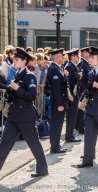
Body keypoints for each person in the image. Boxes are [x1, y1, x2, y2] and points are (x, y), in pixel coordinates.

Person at [0, 48, 48, 177]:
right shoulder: (17, 74)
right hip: (14, 115)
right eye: (14, 59)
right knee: (5, 142)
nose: (14, 61)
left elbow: (31, 96)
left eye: (17, 60)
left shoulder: (29, 76)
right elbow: (16, 94)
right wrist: (9, 91)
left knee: (33, 143)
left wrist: (18, 88)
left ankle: (42, 169)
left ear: (24, 61)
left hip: (26, 115)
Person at [47, 48, 70, 153]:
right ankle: (55, 146)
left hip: (59, 101)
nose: (63, 58)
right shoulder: (54, 69)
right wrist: (60, 104)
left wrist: (65, 76)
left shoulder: (57, 68)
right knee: (56, 124)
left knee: (58, 124)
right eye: (61, 56)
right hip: (57, 102)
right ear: (57, 58)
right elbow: (56, 89)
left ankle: (56, 144)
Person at [64, 49, 82, 142]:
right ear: (73, 56)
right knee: (71, 115)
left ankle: (70, 134)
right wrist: (70, 94)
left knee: (73, 115)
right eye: (77, 56)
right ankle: (69, 135)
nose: (79, 57)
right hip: (72, 95)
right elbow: (68, 82)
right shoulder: (70, 67)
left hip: (74, 93)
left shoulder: (73, 66)